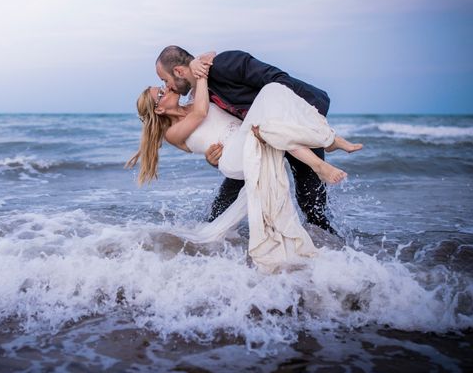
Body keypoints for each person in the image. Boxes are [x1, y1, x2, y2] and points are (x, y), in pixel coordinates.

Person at [125, 71, 362, 271]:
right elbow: (200, 113)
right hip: (232, 160)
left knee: (272, 94)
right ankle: (327, 148)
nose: (166, 89)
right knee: (263, 116)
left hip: (247, 142)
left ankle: (323, 151)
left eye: (164, 86)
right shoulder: (172, 132)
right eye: (161, 93)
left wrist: (201, 66)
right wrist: (200, 75)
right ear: (158, 110)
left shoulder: (194, 99)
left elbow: (199, 85)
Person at [155, 46, 340, 232]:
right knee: (219, 210)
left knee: (313, 207)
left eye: (165, 80)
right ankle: (215, 254)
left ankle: (336, 254)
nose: (167, 86)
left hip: (296, 126)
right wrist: (214, 160)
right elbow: (225, 131)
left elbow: (279, 81)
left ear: (178, 71)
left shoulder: (225, 64)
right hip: (256, 144)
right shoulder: (202, 95)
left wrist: (280, 126)